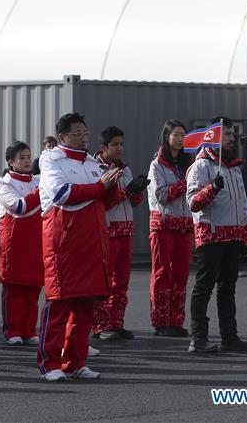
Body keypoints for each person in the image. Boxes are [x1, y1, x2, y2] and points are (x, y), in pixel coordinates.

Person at [37, 113, 122, 381]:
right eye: (77, 133)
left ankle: (75, 362)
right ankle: (49, 364)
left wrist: (111, 188)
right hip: (65, 244)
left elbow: (100, 202)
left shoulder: (91, 163)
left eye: (85, 133)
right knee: (59, 306)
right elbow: (62, 194)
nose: (84, 137)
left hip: (92, 245)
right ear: (62, 137)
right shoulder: (51, 160)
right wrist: (100, 186)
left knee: (85, 309)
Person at [185, 118, 247, 353]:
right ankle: (199, 338)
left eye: (232, 134)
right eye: (227, 135)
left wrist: (244, 233)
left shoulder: (234, 166)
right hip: (210, 234)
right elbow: (193, 202)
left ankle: (229, 336)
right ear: (212, 137)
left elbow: (241, 204)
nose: (232, 139)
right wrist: (212, 188)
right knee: (204, 287)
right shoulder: (201, 166)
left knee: (228, 288)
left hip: (233, 235)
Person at [93, 126, 148, 340]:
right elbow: (101, 203)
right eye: (115, 144)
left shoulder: (125, 169)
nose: (119, 148)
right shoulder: (97, 169)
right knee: (104, 280)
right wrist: (126, 191)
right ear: (103, 147)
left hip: (126, 230)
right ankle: (101, 325)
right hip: (107, 231)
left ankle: (116, 322)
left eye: (121, 144)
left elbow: (132, 202)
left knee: (121, 281)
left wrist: (137, 191)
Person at [147, 120, 194, 337]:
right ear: (167, 137)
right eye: (176, 134)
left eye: (183, 134)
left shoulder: (188, 164)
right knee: (162, 273)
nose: (180, 138)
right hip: (164, 226)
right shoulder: (156, 165)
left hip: (185, 226)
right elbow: (162, 196)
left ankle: (176, 320)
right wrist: (186, 183)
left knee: (181, 274)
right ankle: (161, 321)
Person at [0, 141, 42, 345]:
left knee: (33, 289)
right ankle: (13, 330)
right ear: (10, 162)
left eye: (28, 156)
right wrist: (43, 191)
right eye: (21, 158)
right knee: (15, 290)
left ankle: (29, 329)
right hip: (13, 244)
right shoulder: (5, 184)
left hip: (35, 242)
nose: (26, 161)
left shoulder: (37, 180)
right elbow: (19, 206)